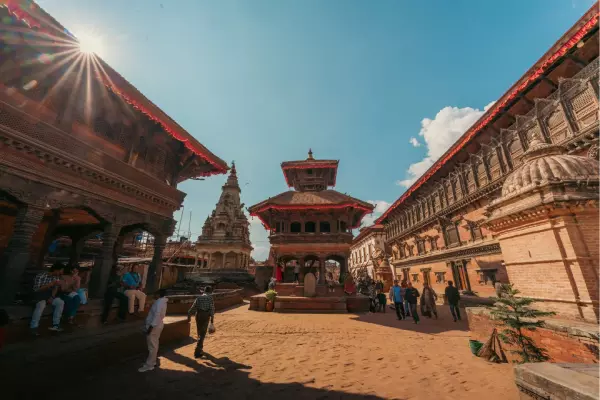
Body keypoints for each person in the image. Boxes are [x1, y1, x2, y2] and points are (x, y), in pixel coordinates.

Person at [30, 263, 65, 334]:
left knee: (60, 302)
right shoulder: (41, 276)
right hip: (39, 295)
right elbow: (37, 289)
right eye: (61, 271)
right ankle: (34, 327)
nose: (61, 273)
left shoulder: (56, 278)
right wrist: (50, 284)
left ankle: (56, 324)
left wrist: (52, 297)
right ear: (56, 270)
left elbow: (55, 289)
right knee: (41, 305)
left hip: (48, 295)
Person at [139, 289, 168, 372]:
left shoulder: (159, 302)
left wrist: (150, 328)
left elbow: (157, 315)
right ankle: (152, 362)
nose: (154, 296)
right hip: (157, 325)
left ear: (159, 295)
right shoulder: (161, 301)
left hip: (154, 326)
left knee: (152, 346)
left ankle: (149, 365)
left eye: (155, 294)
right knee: (154, 345)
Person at [188, 286, 215, 358]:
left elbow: (193, 307)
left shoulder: (199, 298)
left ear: (204, 291)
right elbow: (212, 309)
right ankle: (197, 351)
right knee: (202, 333)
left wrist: (189, 315)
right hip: (205, 316)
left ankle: (200, 347)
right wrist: (212, 320)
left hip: (198, 315)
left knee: (199, 332)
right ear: (210, 291)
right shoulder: (210, 298)